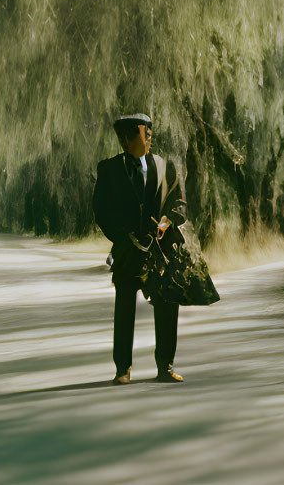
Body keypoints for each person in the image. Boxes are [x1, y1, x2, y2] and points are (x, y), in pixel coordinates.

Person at [93, 112, 185, 385]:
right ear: (127, 139)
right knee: (124, 309)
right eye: (146, 132)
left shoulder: (164, 165)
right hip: (127, 250)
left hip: (160, 250)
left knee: (168, 305)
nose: (150, 136)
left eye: (150, 131)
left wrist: (167, 223)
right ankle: (123, 369)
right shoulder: (108, 169)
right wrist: (123, 236)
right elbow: (101, 210)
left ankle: (165, 366)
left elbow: (179, 203)